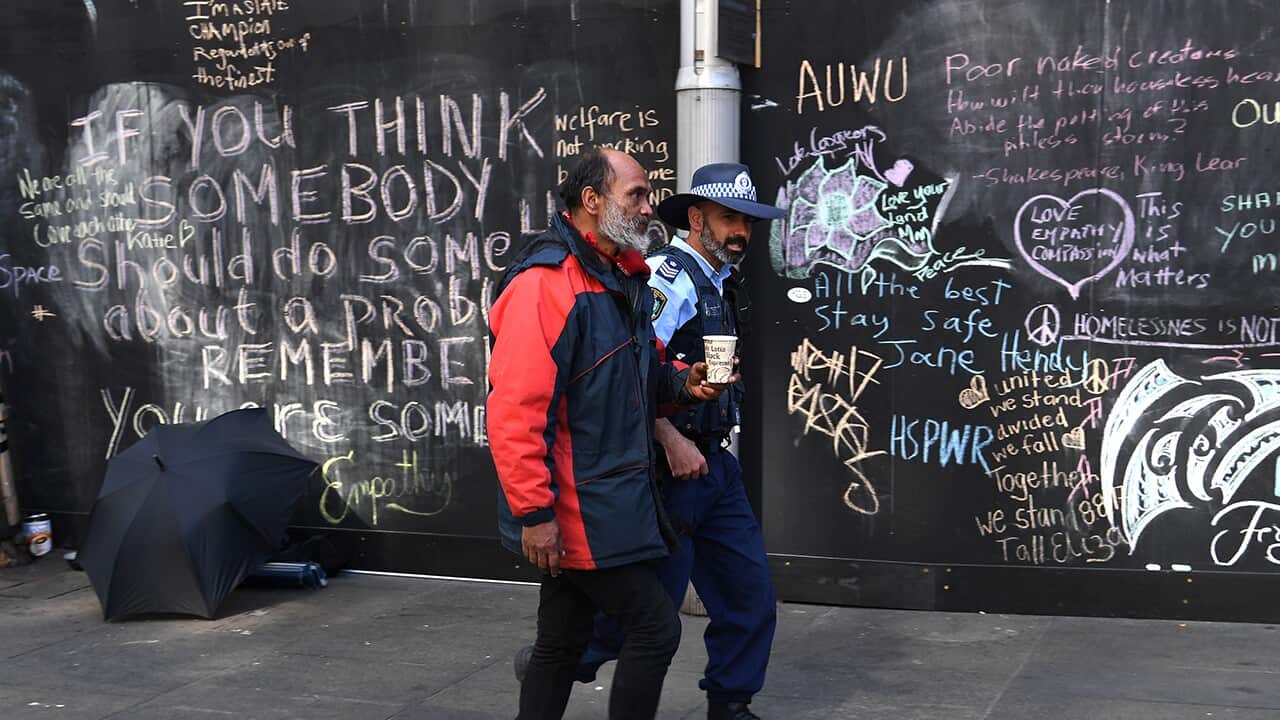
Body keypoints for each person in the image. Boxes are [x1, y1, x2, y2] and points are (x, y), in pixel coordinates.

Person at [487, 147, 732, 720]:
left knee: (560, 642)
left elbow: (635, 372)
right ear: (592, 202)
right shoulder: (546, 285)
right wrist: (535, 515)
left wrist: (683, 384)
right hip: (575, 502)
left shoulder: (622, 276)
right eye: (637, 195)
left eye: (647, 195)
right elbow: (515, 412)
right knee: (653, 628)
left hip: (604, 495)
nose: (650, 207)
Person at [574, 162, 784, 720]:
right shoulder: (670, 276)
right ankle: (562, 658)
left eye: (747, 220)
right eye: (727, 217)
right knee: (648, 613)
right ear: (696, 218)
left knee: (749, 592)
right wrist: (669, 438)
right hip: (673, 470)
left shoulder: (721, 280)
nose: (740, 229)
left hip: (715, 466)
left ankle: (730, 705)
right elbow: (631, 368)